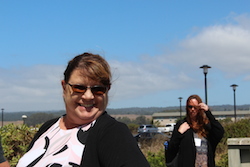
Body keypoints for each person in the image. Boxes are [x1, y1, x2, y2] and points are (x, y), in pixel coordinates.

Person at [16, 52, 150, 167]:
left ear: (107, 90)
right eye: (79, 87)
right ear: (64, 87)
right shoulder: (49, 128)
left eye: (98, 89)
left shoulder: (112, 133)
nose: (88, 96)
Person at [165, 94, 224, 167]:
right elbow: (172, 148)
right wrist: (179, 133)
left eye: (195, 107)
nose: (192, 109)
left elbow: (220, 132)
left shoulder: (206, 126)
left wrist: (208, 112)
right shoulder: (182, 125)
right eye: (190, 107)